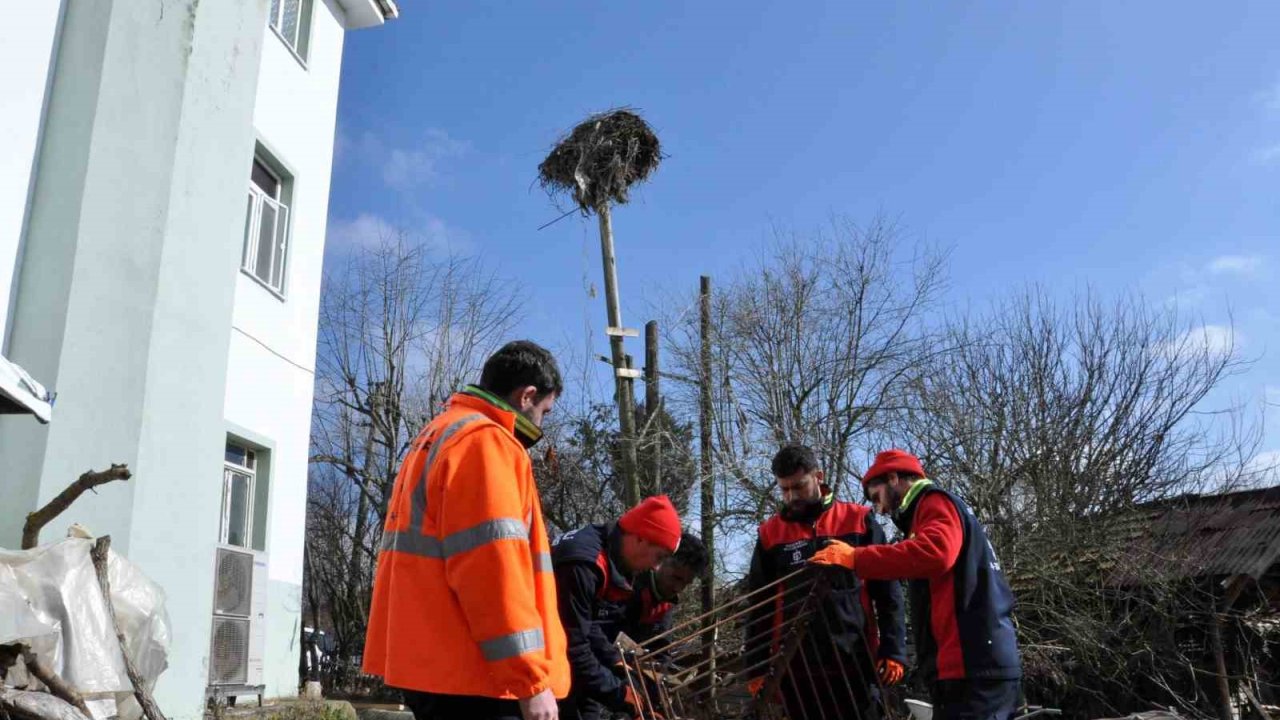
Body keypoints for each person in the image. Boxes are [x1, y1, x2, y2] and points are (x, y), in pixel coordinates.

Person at [363, 340, 569, 720]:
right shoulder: (485, 442)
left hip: (439, 668)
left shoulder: (438, 433)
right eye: (545, 412)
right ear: (527, 396)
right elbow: (493, 571)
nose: (541, 425)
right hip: (478, 679)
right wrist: (530, 681)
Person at [811, 449, 1022, 720]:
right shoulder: (936, 512)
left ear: (893, 477)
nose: (881, 509)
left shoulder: (934, 502)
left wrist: (855, 557)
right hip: (978, 662)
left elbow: (936, 553)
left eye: (877, 498)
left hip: (971, 665)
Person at [744, 444, 907, 720]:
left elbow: (888, 591)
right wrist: (756, 668)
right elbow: (760, 605)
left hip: (855, 660)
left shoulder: (858, 520)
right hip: (796, 667)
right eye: (784, 489)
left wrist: (894, 650)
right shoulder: (770, 535)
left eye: (799, 486)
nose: (791, 496)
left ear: (818, 476)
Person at [551, 496, 684, 720]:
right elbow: (572, 646)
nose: (656, 567)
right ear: (641, 539)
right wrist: (622, 695)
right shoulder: (585, 565)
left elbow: (585, 622)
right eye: (658, 557)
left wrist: (615, 660)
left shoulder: (601, 548)